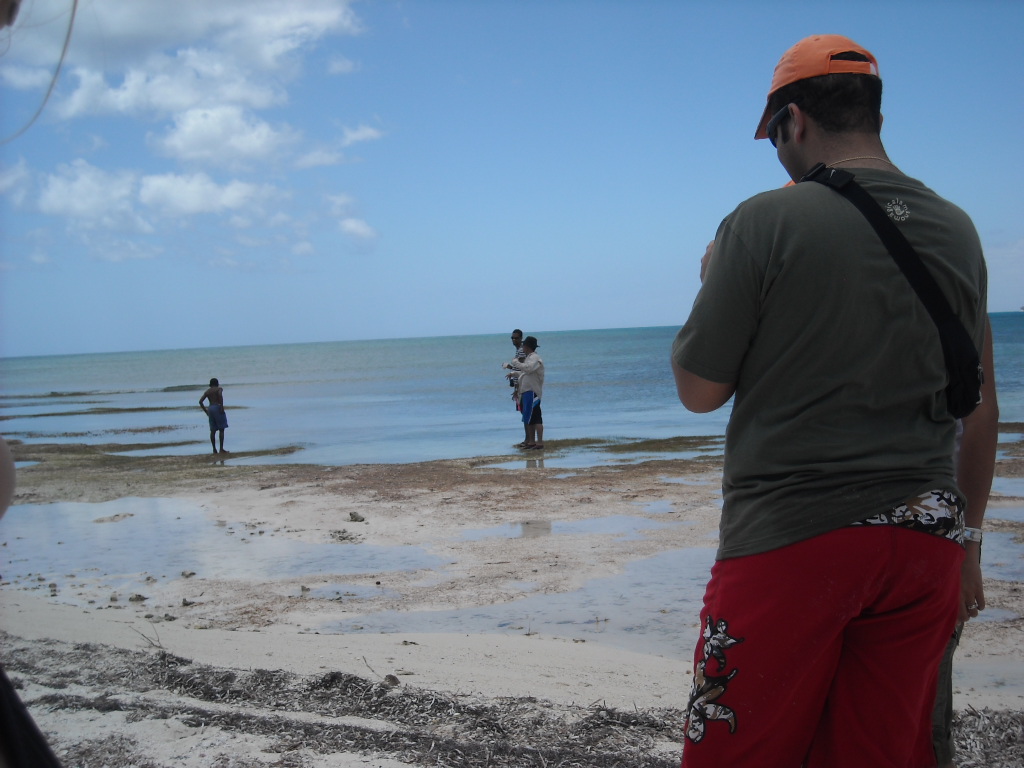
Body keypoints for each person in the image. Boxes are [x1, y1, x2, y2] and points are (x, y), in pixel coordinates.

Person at [671, 34, 988, 767]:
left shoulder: (762, 222)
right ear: (875, 115)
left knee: (736, 755)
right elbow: (978, 408)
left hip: (793, 537)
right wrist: (969, 544)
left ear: (794, 120)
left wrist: (713, 280)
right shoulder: (959, 230)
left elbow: (698, 391)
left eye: (773, 134)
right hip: (924, 546)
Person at [933, 320, 998, 768]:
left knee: (924, 719)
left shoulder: (957, 287)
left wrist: (967, 546)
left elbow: (981, 418)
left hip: (936, 535)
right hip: (837, 532)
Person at [507, 336, 544, 450]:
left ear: (527, 346)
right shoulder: (529, 358)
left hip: (533, 392)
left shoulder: (535, 358)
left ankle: (539, 443)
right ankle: (531, 442)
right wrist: (513, 374)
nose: (522, 347)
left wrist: (515, 362)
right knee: (529, 417)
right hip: (526, 391)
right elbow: (525, 373)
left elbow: (528, 369)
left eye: (524, 345)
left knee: (536, 417)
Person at [503, 329, 530, 447]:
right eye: (512, 338)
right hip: (518, 385)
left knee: (525, 412)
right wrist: (510, 368)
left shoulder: (521, 351)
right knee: (524, 412)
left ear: (521, 338)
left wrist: (518, 388)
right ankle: (527, 439)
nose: (514, 340)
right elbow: (519, 368)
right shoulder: (518, 350)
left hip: (522, 386)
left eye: (516, 338)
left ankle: (528, 439)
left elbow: (524, 368)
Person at [199, 378, 229, 454]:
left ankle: (214, 449)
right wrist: (221, 406)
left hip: (210, 408)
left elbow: (200, 401)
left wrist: (206, 411)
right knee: (221, 429)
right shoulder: (219, 389)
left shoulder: (207, 391)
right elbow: (220, 395)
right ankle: (221, 448)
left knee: (213, 430)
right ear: (217, 383)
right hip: (217, 407)